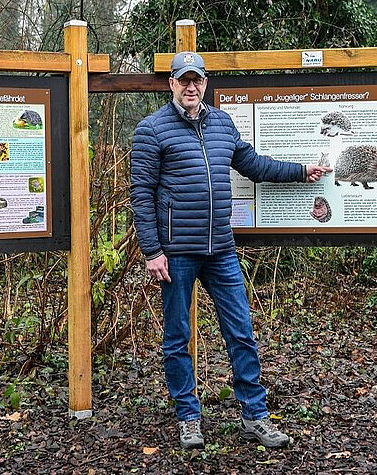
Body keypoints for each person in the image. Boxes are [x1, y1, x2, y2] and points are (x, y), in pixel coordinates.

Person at [130, 51, 331, 449]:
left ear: (205, 83)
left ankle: (254, 416)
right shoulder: (151, 130)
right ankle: (188, 417)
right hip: (177, 252)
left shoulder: (222, 123)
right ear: (171, 83)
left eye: (197, 80)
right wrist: (152, 251)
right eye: (183, 80)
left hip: (220, 248)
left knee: (241, 332)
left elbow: (253, 164)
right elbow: (141, 194)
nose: (191, 87)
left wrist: (300, 171)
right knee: (177, 336)